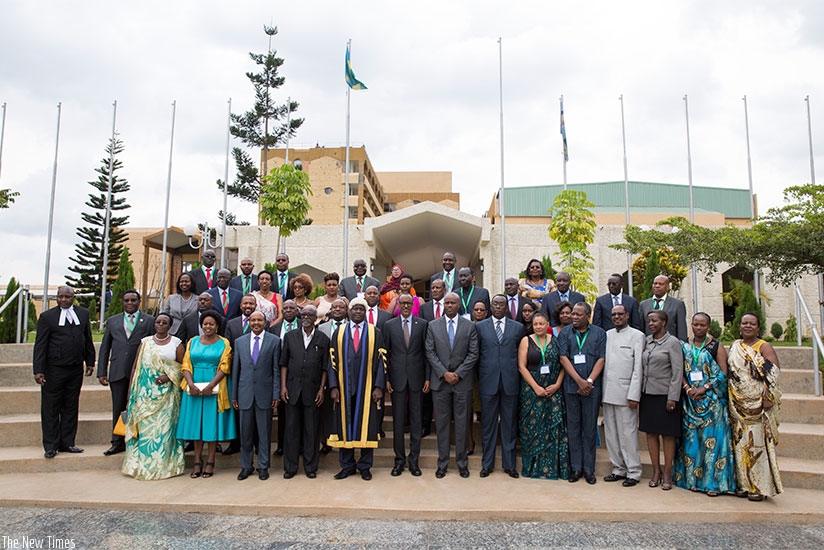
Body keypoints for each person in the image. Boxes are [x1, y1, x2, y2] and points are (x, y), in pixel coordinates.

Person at [674, 312, 735, 497]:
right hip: (690, 402)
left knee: (713, 445)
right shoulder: (683, 344)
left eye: (702, 325)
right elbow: (679, 369)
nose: (698, 328)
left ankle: (712, 484)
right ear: (691, 324)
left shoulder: (716, 346)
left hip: (712, 404)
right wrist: (686, 387)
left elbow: (723, 374)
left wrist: (704, 389)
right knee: (692, 443)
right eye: (695, 324)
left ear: (708, 327)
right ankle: (691, 480)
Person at [33, 285, 95, 459]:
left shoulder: (83, 314)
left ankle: (68, 442)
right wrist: (38, 370)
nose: (64, 300)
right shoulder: (47, 317)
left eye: (67, 297)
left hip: (75, 368)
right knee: (51, 407)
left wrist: (90, 361)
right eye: (60, 296)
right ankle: (51, 445)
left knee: (70, 406)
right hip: (53, 369)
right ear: (57, 297)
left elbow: (87, 338)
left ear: (74, 297)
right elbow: (40, 345)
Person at [121, 313, 185, 480]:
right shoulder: (145, 342)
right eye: (158, 322)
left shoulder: (176, 344)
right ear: (154, 324)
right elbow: (136, 367)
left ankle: (164, 466)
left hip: (167, 397)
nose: (161, 324)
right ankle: (142, 466)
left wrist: (167, 377)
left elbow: (182, 369)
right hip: (144, 396)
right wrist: (130, 393)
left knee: (164, 432)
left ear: (170, 326)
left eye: (165, 322)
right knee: (146, 432)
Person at [328, 298, 386, 481]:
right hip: (344, 387)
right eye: (355, 309)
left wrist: (378, 386)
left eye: (362, 309)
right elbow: (331, 361)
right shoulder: (339, 332)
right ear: (349, 311)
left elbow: (382, 360)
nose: (358, 312)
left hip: (367, 387)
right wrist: (333, 386)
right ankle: (347, 466)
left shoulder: (375, 332)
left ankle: (365, 466)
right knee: (345, 425)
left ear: (365, 311)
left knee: (366, 426)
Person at [727, 312, 782, 501]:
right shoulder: (735, 346)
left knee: (756, 445)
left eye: (752, 324)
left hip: (757, 404)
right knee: (739, 444)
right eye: (744, 323)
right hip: (737, 403)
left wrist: (767, 398)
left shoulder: (763, 346)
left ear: (758, 327)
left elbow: (773, 374)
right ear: (739, 326)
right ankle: (742, 484)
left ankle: (759, 487)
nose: (747, 326)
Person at [176, 310, 237, 479]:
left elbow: (225, 366)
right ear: (201, 325)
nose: (208, 326)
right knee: (196, 425)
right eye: (205, 324)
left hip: (215, 386)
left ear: (217, 326)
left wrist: (211, 385)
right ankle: (197, 461)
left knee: (211, 425)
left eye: (211, 324)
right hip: (194, 387)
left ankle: (210, 461)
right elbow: (186, 364)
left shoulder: (224, 342)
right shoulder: (193, 341)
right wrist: (190, 384)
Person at [425, 292, 479, 478]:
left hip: (462, 383)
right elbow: (430, 352)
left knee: (463, 424)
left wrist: (458, 373)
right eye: (446, 302)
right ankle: (442, 464)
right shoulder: (432, 326)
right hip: (440, 383)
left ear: (458, 305)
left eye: (453, 303)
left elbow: (473, 353)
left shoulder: (469, 326)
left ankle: (462, 463)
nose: (449, 305)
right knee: (441, 424)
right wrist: (444, 373)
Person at [97, 290, 155, 456]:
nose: (130, 303)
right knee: (118, 407)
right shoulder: (113, 321)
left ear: (139, 301)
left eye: (133, 300)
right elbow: (105, 348)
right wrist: (102, 371)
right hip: (118, 371)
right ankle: (117, 442)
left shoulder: (149, 321)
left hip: (140, 372)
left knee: (140, 407)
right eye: (126, 300)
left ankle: (138, 440)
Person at [557, 302, 606, 485]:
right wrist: (579, 381)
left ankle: (589, 469)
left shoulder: (599, 333)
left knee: (589, 429)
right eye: (572, 314)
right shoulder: (565, 333)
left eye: (578, 314)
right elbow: (563, 358)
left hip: (591, 389)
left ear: (588, 315)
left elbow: (601, 358)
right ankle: (576, 468)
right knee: (574, 428)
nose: (574, 317)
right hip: (571, 387)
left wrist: (589, 382)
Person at [476, 295, 524, 478]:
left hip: (511, 382)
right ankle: (486, 464)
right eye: (495, 303)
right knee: (488, 426)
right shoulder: (480, 327)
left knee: (509, 425)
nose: (498, 306)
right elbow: (477, 355)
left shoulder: (518, 328)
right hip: (488, 382)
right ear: (491, 306)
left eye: (501, 304)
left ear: (507, 307)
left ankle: (509, 464)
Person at [279, 305, 330, 479]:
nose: (307, 317)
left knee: (311, 430)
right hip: (292, 390)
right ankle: (291, 467)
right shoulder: (290, 336)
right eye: (304, 314)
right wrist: (283, 387)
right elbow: (284, 363)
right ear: (300, 317)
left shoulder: (322, 339)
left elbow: (325, 367)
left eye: (311, 314)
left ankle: (310, 467)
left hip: (313, 391)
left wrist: (322, 389)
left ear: (316, 317)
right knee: (291, 430)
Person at [518, 311, 568, 480]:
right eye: (535, 324)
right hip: (531, 391)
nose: (538, 327)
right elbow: (522, 367)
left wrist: (558, 384)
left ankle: (552, 469)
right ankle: (533, 469)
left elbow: (563, 364)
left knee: (553, 429)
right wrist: (536, 387)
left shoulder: (556, 340)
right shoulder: (526, 341)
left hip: (553, 391)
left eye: (541, 324)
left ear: (548, 325)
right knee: (532, 429)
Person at [383, 294, 429, 477]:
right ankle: (399, 461)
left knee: (416, 423)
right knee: (398, 422)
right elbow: (384, 354)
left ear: (413, 305)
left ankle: (414, 461)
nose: (405, 306)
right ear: (397, 305)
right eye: (402, 303)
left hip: (417, 379)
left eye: (409, 303)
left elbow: (427, 354)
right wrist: (386, 379)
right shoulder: (389, 325)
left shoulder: (422, 324)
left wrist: (427, 378)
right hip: (397, 380)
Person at [231, 311, 281, 481]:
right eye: (253, 320)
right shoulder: (239, 342)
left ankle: (263, 466)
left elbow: (276, 370)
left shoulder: (274, 341)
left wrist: (276, 394)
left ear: (265, 322)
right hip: (244, 394)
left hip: (265, 394)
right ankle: (246, 466)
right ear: (249, 322)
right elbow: (236, 370)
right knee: (245, 434)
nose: (256, 323)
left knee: (264, 433)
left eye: (260, 320)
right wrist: (234, 396)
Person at [640, 309, 684, 491]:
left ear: (664, 323)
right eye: (649, 321)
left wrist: (673, 397)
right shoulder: (647, 341)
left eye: (655, 321)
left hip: (665, 396)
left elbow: (677, 371)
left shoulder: (672, 343)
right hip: (647, 394)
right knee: (650, 434)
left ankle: (667, 472)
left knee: (667, 435)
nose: (651, 324)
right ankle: (656, 471)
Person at [602, 304, 645, 487]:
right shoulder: (607, 335)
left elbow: (638, 369)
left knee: (628, 433)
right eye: (614, 314)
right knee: (611, 433)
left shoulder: (637, 335)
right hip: (607, 391)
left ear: (627, 315)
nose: (617, 317)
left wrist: (634, 394)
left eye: (620, 314)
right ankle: (618, 468)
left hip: (627, 393)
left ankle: (634, 471)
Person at [270, 299, 300, 456]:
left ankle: (300, 445)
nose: (288, 310)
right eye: (285, 308)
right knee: (282, 412)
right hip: (280, 373)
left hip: (299, 375)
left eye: (291, 308)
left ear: (297, 311)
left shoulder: (304, 325)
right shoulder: (274, 329)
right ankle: (281, 444)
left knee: (299, 412)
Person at [639, 275, 688, 342]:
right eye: (655, 283)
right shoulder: (643, 304)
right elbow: (641, 328)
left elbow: (681, 329)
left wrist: (682, 346)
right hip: (649, 345)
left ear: (667, 287)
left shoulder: (678, 304)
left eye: (661, 284)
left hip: (670, 345)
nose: (657, 286)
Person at [162, 272, 198, 337]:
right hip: (172, 331)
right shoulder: (171, 298)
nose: (184, 283)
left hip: (190, 332)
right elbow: (165, 314)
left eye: (187, 281)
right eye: (181, 282)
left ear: (192, 283)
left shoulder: (198, 299)